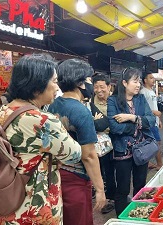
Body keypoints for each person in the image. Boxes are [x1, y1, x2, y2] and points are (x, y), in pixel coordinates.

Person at [0, 54, 82, 224]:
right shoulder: (43, 120)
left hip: (0, 200)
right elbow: (74, 154)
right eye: (54, 81)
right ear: (37, 87)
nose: (57, 87)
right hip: (32, 207)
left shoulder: (1, 112)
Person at [47, 59, 106, 225]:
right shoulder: (81, 111)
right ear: (80, 83)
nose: (92, 85)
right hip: (77, 178)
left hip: (55, 174)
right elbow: (88, 155)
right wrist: (100, 189)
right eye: (89, 80)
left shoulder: (52, 106)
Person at [107, 67, 156, 216]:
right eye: (135, 81)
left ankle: (139, 215)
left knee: (140, 185)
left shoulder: (140, 99)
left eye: (139, 81)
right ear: (124, 83)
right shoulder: (113, 100)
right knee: (122, 188)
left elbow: (152, 120)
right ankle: (122, 218)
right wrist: (137, 127)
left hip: (141, 150)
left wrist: (131, 118)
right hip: (123, 150)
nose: (138, 84)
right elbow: (114, 127)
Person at [90, 73, 116, 214]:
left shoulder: (115, 100)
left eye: (102, 87)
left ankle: (112, 196)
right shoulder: (91, 102)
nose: (99, 90)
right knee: (101, 170)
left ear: (109, 86)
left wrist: (101, 122)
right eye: (96, 87)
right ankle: (104, 196)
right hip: (99, 142)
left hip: (114, 138)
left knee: (112, 169)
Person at [140, 71, 163, 169]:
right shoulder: (143, 92)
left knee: (150, 142)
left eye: (153, 78)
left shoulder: (152, 91)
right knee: (156, 142)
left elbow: (154, 106)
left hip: (155, 121)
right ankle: (159, 164)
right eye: (151, 78)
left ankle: (148, 163)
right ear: (145, 80)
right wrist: (154, 112)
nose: (153, 80)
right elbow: (142, 108)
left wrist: (159, 120)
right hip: (149, 122)